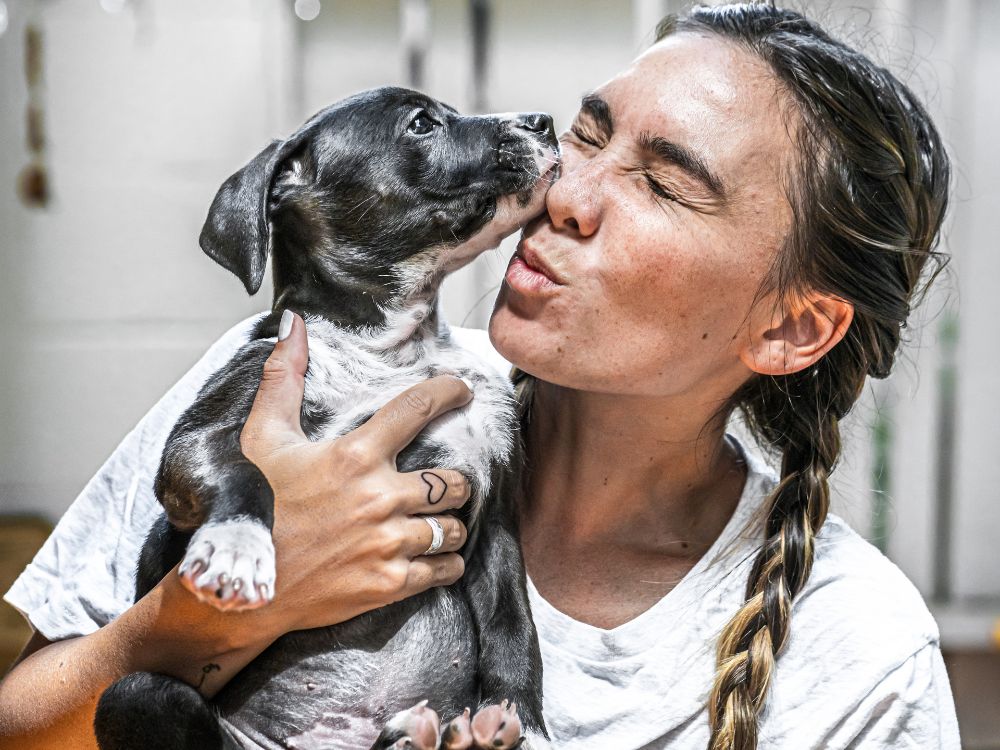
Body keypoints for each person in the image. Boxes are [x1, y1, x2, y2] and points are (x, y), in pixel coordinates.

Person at [0, 4, 959, 749]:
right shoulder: (292, 389)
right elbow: (26, 729)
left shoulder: (860, 657)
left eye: (664, 184)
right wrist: (211, 612)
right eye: (589, 136)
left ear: (793, 327)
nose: (566, 193)